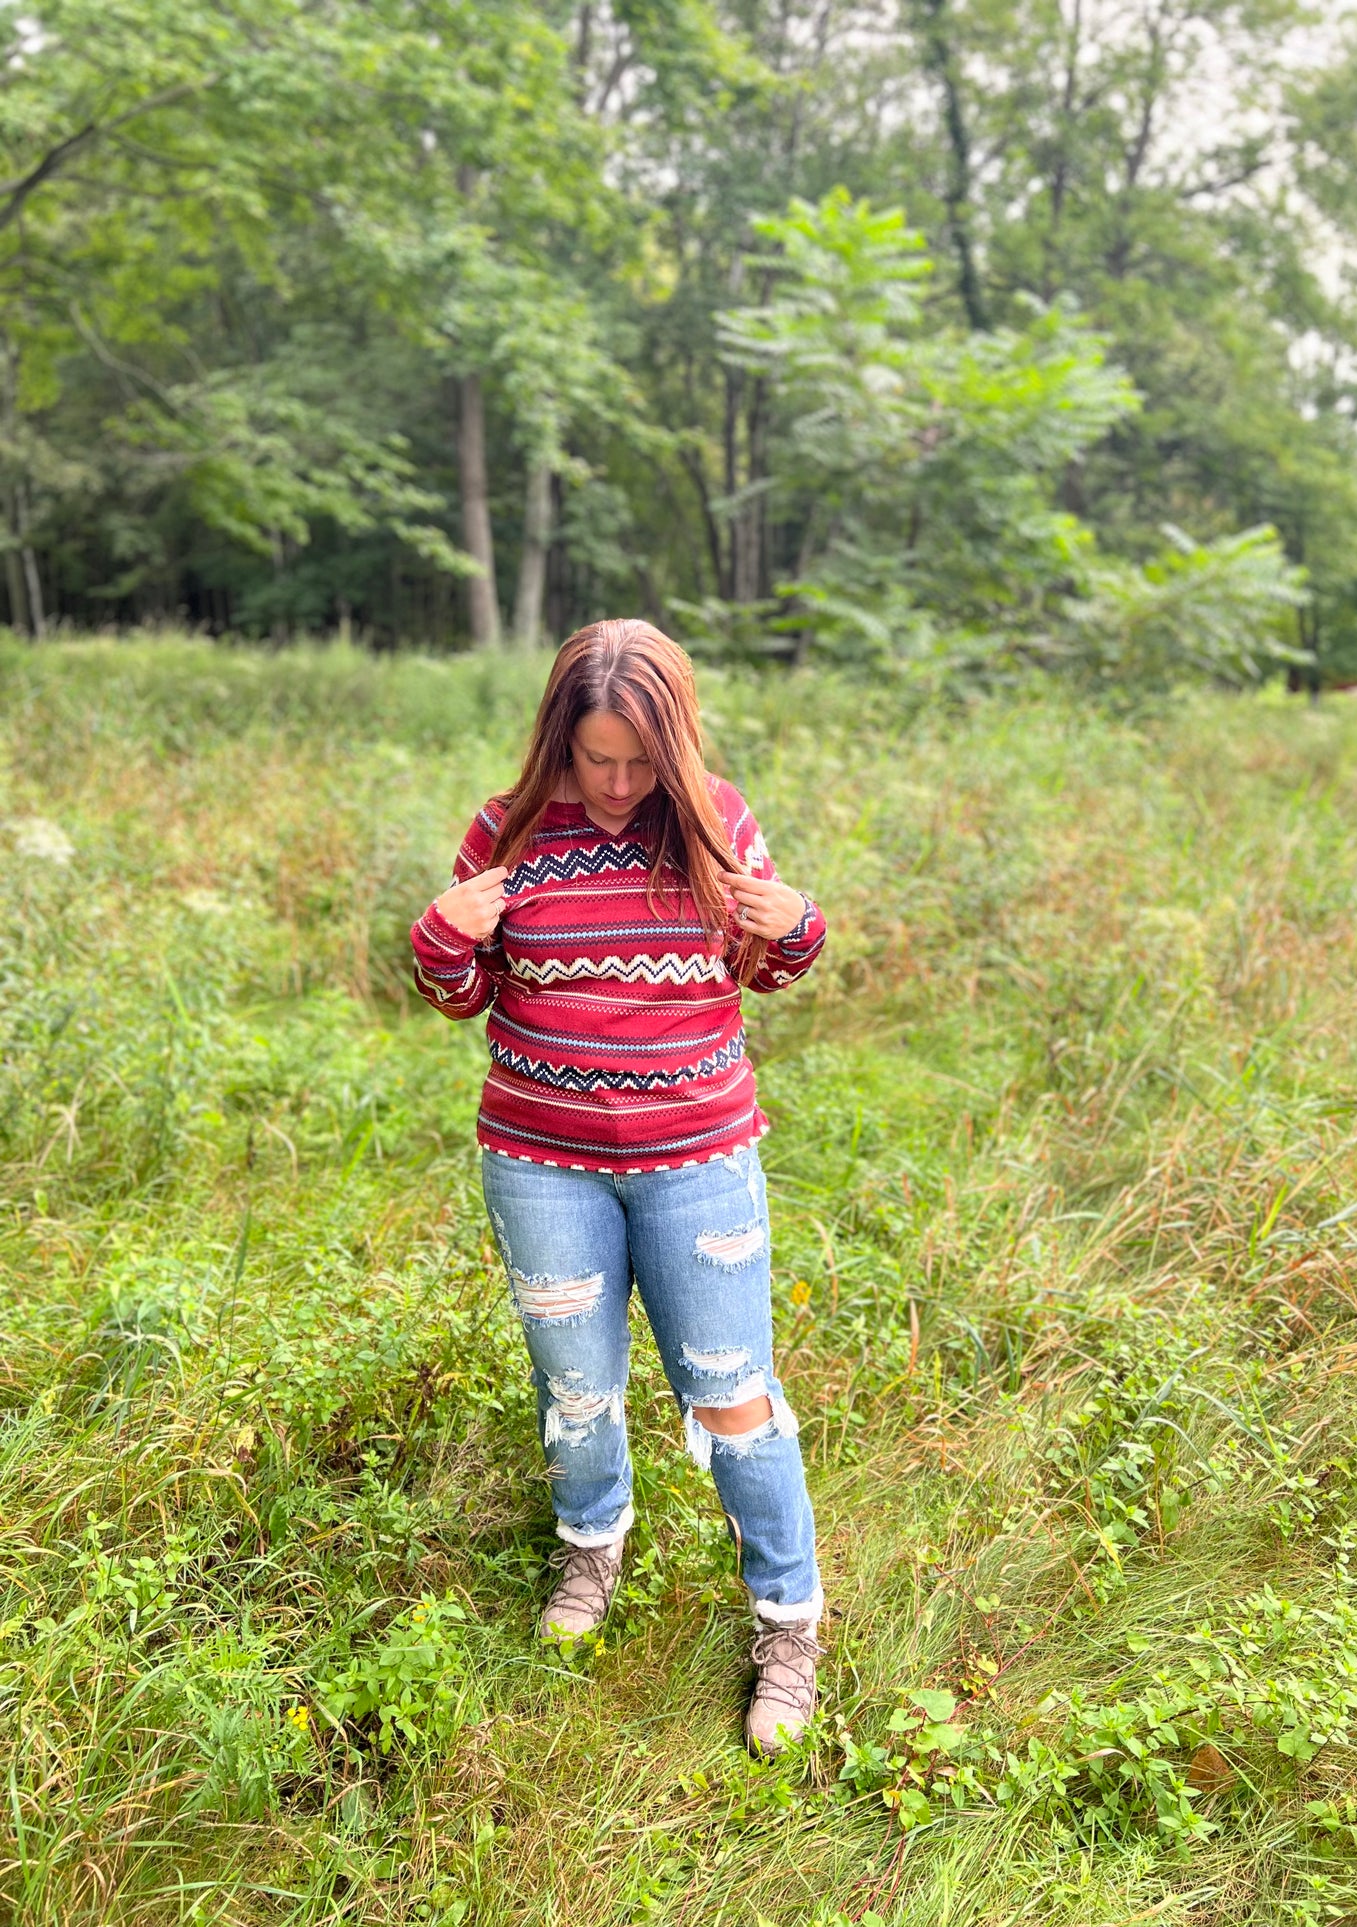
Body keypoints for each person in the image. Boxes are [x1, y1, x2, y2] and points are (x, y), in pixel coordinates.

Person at [409, 618, 828, 1754]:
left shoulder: (712, 818)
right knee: (576, 1386)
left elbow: (764, 964)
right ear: (561, 736)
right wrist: (442, 937)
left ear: (673, 743)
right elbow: (456, 992)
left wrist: (799, 930)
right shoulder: (506, 831)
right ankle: (590, 1548)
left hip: (696, 1161)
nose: (617, 782)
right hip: (543, 1162)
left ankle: (787, 1623)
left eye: (640, 760)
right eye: (597, 757)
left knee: (732, 1394)